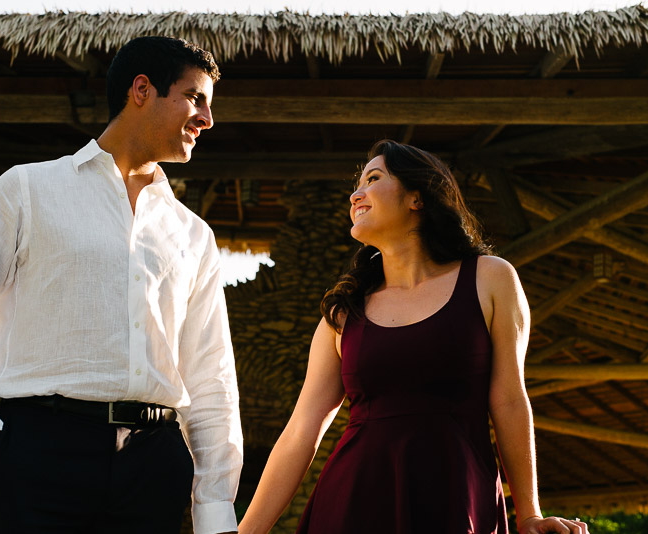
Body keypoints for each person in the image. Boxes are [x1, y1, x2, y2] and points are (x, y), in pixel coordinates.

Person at [0, 36, 242, 534]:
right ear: (142, 89)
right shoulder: (26, 190)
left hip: (154, 469)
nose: (207, 118)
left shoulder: (194, 234)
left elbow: (211, 379)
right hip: (38, 457)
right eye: (195, 97)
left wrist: (216, 509)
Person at [238, 140, 589, 534]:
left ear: (417, 198)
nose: (356, 193)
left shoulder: (490, 278)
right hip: (351, 502)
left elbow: (509, 398)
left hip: (456, 499)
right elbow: (301, 431)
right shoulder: (343, 314)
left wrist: (529, 514)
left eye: (373, 178)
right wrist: (246, 532)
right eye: (357, 184)